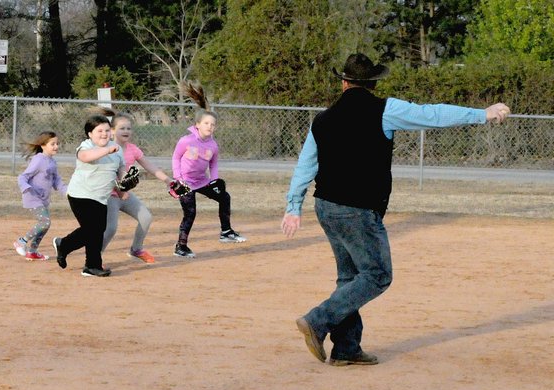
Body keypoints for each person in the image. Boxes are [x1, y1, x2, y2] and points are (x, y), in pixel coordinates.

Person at [282, 53, 511, 366]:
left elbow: (305, 164)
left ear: (344, 82)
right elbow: (432, 115)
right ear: (373, 83)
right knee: (377, 275)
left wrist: (293, 206)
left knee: (349, 278)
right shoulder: (384, 110)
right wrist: (481, 114)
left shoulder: (321, 120)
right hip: (357, 209)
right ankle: (318, 319)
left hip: (325, 206)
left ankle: (347, 348)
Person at [172, 83, 246, 258]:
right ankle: (181, 247)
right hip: (185, 183)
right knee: (190, 213)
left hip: (201, 181)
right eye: (206, 123)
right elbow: (175, 158)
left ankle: (226, 232)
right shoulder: (186, 140)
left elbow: (213, 164)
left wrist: (214, 180)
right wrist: (178, 178)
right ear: (197, 125)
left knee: (224, 197)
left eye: (213, 124)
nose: (210, 126)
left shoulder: (213, 145)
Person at [52, 113, 125, 277]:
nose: (104, 134)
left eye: (107, 130)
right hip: (80, 195)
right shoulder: (85, 146)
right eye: (99, 131)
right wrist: (106, 150)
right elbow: (85, 158)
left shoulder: (117, 150)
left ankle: (65, 245)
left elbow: (120, 171)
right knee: (93, 229)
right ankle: (91, 265)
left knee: (97, 230)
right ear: (90, 134)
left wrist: (125, 185)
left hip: (101, 197)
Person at [102, 109, 172, 264]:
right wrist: (121, 191)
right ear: (112, 131)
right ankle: (95, 256)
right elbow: (108, 174)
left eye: (128, 128)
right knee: (111, 229)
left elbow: (150, 166)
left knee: (146, 217)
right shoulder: (107, 148)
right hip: (110, 195)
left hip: (125, 195)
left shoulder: (132, 149)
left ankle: (136, 249)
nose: (126, 131)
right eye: (122, 128)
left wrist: (168, 180)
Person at [14, 131, 67, 261]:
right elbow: (23, 176)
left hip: (43, 199)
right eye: (52, 144)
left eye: (57, 143)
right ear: (43, 145)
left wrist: (68, 192)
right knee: (45, 222)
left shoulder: (52, 162)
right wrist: (26, 188)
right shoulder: (38, 160)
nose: (56, 146)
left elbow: (57, 181)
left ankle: (32, 252)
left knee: (45, 224)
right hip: (32, 197)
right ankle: (21, 241)